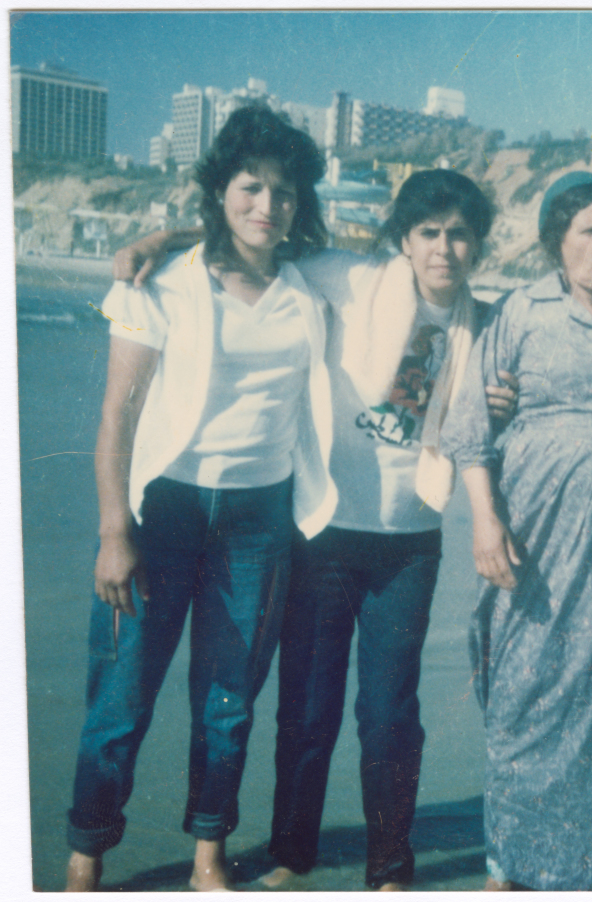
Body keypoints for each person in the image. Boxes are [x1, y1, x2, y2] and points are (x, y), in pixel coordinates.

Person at [113, 168, 518, 891]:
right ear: (404, 237)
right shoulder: (351, 278)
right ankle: (293, 851)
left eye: (460, 234)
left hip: (410, 540)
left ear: (477, 244)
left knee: (390, 712)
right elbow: (255, 244)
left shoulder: (483, 326)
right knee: (306, 705)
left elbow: (503, 407)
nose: (444, 249)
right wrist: (164, 237)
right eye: (429, 232)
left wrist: (506, 401)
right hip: (325, 528)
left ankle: (390, 866)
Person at [64, 106, 337, 892]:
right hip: (163, 514)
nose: (268, 205)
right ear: (218, 190)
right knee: (121, 696)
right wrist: (116, 528)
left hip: (261, 519)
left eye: (284, 193)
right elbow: (117, 412)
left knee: (228, 704)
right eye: (251, 187)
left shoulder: (304, 285)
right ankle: (88, 854)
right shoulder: (162, 287)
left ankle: (208, 855)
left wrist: (172, 233)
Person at [439, 171, 592, 891]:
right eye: (590, 231)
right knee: (527, 693)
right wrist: (485, 522)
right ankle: (509, 869)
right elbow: (469, 431)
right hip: (537, 544)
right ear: (558, 241)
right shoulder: (521, 313)